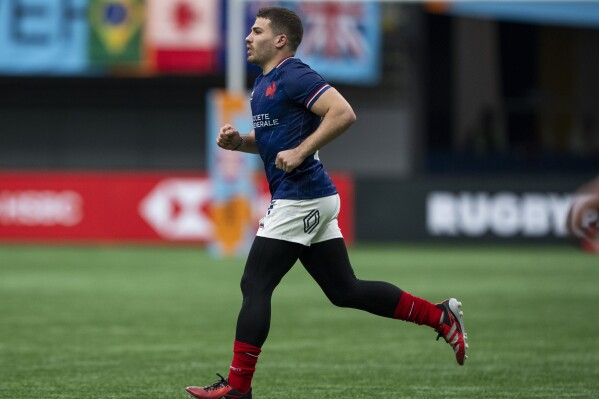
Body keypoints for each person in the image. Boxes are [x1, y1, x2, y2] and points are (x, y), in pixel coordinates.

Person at [185, 7, 467, 399]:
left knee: (255, 283)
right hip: (312, 196)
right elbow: (274, 145)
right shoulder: (263, 84)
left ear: (280, 40)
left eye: (257, 30)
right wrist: (242, 143)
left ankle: (237, 389)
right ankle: (439, 316)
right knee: (345, 290)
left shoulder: (294, 75)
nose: (248, 37)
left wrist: (301, 152)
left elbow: (343, 113)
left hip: (300, 197)